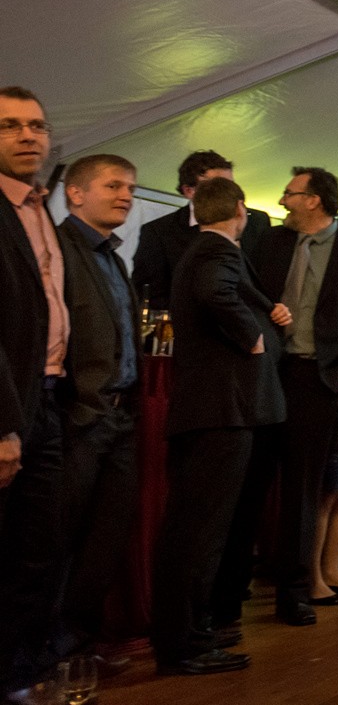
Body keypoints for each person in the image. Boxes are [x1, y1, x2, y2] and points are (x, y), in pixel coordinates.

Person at [152, 177, 288, 675]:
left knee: (195, 531)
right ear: (240, 211)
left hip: (215, 411)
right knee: (200, 534)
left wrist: (266, 313)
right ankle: (186, 644)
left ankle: (189, 636)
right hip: (222, 412)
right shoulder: (217, 250)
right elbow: (215, 292)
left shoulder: (203, 248)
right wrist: (252, 335)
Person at [250, 166, 338, 626]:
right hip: (268, 375)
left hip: (320, 381)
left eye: (289, 194)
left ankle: (295, 590)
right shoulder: (271, 242)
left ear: (314, 200)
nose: (282, 201)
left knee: (303, 490)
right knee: (254, 483)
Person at [53, 154, 143, 666]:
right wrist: (76, 404)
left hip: (121, 415)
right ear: (76, 193)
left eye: (130, 187)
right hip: (80, 417)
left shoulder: (114, 257)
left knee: (105, 540)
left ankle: (80, 647)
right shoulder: (57, 249)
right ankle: (48, 654)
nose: (126, 195)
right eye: (113, 186)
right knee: (60, 540)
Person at [0, 86, 70, 697]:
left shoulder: (40, 207)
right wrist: (3, 423)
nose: (28, 136)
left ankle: (18, 672)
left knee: (38, 548)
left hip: (48, 399)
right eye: (10, 126)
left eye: (37, 125)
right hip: (9, 406)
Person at [131, 150, 272, 308]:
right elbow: (150, 294)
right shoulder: (159, 232)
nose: (227, 193)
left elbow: (266, 278)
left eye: (230, 185)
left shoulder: (256, 221)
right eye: (217, 186)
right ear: (189, 191)